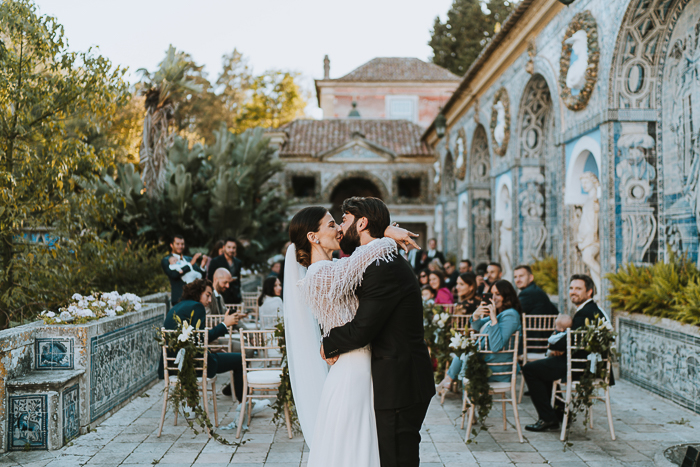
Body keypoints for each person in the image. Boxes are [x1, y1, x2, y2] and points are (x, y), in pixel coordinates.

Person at [286, 200, 425, 466]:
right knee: (354, 446)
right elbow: (363, 258)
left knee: (364, 445)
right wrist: (385, 234)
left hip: (364, 366)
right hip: (352, 370)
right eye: (331, 224)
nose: (338, 228)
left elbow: (361, 263)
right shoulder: (320, 274)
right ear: (313, 237)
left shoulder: (336, 268)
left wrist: (381, 233)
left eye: (340, 221)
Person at [522, 274, 608, 432]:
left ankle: (548, 418)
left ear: (589, 292)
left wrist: (555, 342)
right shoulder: (590, 309)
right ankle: (559, 413)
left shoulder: (586, 313)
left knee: (530, 369)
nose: (573, 292)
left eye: (578, 289)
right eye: (571, 288)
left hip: (581, 366)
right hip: (580, 361)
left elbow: (568, 341)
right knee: (542, 369)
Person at [161, 279, 246, 403]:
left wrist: (210, 349)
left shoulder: (178, 306)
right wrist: (224, 324)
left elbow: (193, 339)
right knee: (240, 359)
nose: (210, 300)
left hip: (174, 366)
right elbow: (201, 337)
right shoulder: (197, 306)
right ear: (198, 292)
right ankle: (244, 404)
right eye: (208, 295)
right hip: (195, 364)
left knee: (234, 358)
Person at [437, 280, 522, 394]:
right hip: (491, 362)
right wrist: (476, 315)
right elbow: (477, 326)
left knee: (466, 356)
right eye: (491, 294)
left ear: (507, 296)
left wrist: (493, 320)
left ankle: (454, 387)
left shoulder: (510, 315)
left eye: (498, 294)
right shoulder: (501, 314)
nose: (493, 298)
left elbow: (496, 346)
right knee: (464, 352)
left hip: (497, 369)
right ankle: (449, 380)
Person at [161, 234, 207, 306]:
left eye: (182, 244)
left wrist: (203, 266)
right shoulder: (167, 260)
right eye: (177, 244)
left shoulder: (189, 259)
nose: (180, 246)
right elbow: (174, 275)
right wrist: (190, 264)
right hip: (179, 299)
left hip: (195, 299)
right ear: (171, 245)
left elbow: (201, 276)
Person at [207, 238, 243, 304]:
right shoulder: (215, 261)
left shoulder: (238, 262)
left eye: (234, 248)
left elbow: (238, 280)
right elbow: (210, 280)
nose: (231, 250)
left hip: (235, 298)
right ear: (224, 247)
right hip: (221, 296)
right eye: (229, 247)